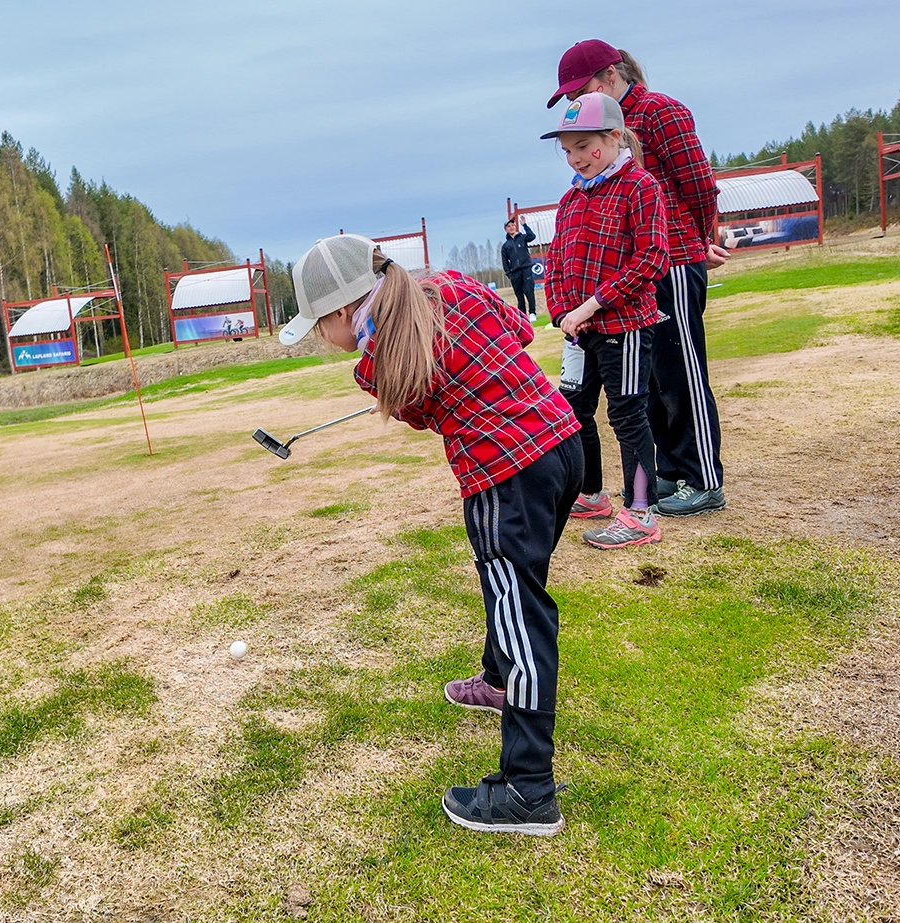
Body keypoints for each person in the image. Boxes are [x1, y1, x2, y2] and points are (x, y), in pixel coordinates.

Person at [279, 234, 583, 836]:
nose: (321, 338)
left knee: (521, 612)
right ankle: (497, 681)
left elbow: (421, 411)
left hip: (503, 474)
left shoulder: (374, 361)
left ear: (342, 311)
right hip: (561, 444)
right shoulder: (451, 284)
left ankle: (528, 788)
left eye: (318, 326)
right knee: (514, 588)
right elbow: (519, 332)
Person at [549, 39, 728, 517]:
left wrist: (698, 241)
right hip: (626, 278)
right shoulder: (597, 136)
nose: (576, 100)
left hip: (671, 259)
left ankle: (703, 478)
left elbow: (698, 184)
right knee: (645, 380)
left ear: (611, 75)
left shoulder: (659, 111)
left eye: (581, 89)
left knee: (681, 373)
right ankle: (667, 470)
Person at [542, 93, 670, 550]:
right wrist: (562, 311)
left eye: (584, 146)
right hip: (579, 334)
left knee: (627, 414)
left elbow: (652, 257)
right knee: (573, 411)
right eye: (568, 151)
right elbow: (556, 262)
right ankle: (591, 492)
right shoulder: (570, 200)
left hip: (625, 328)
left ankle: (641, 513)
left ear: (615, 137)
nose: (576, 158)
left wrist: (593, 304)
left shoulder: (640, 187)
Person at [500, 216, 538, 319]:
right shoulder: (505, 246)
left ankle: (532, 313)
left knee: (529, 291)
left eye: (513, 225)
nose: (511, 227)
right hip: (515, 273)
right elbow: (505, 261)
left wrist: (524, 225)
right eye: (509, 226)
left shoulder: (522, 238)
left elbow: (532, 236)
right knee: (519, 296)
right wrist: (509, 274)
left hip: (526, 269)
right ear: (506, 229)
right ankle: (522, 316)